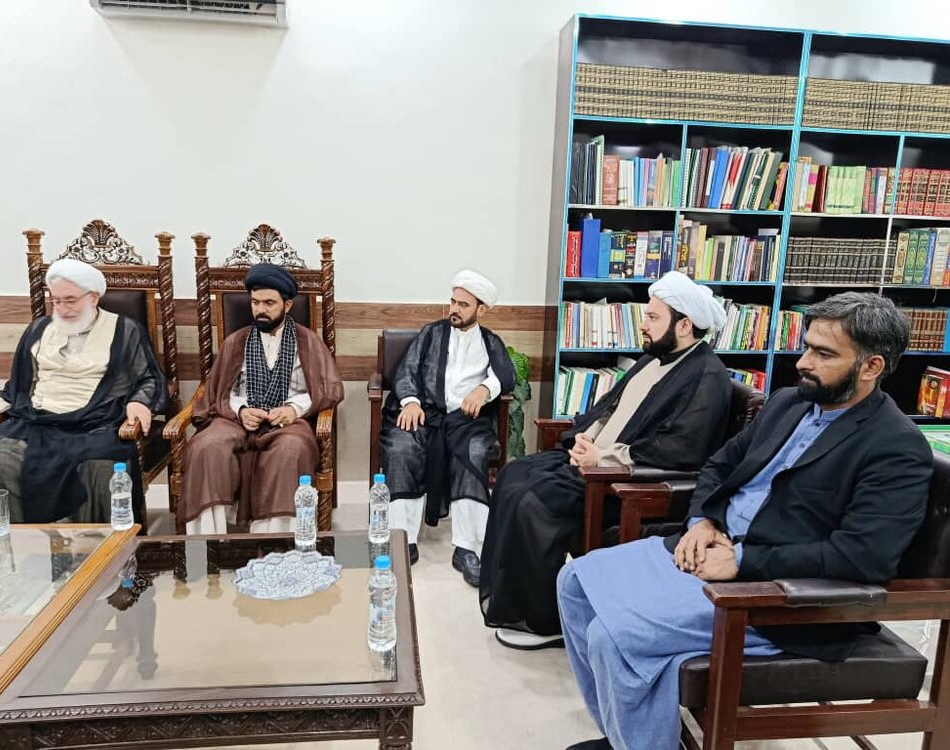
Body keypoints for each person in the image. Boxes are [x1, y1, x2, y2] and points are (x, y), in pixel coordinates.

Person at [558, 292, 933, 750]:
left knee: (613, 634)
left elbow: (862, 556)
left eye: (823, 354)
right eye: (807, 347)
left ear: (871, 366)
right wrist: (702, 520)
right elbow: (719, 464)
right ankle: (626, 738)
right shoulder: (788, 404)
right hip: (711, 550)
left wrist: (742, 561)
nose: (803, 362)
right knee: (573, 582)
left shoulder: (895, 447)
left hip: (776, 598)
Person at [481, 271, 733, 650]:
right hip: (594, 463)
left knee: (534, 502)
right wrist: (586, 438)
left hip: (620, 483)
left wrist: (603, 457)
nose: (643, 325)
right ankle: (515, 603)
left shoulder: (707, 377)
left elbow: (682, 449)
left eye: (653, 317)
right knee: (514, 474)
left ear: (684, 325)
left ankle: (545, 620)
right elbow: (609, 408)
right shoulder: (652, 359)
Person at [0, 259, 167, 524]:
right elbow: (18, 386)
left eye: (70, 300)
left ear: (93, 297)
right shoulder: (39, 330)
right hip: (36, 423)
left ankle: (99, 548)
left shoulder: (124, 330)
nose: (62, 308)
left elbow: (148, 377)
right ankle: (15, 544)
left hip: (95, 424)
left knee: (102, 464)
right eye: (56, 301)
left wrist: (139, 402)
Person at [179, 263, 343, 534]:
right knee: (206, 446)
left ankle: (275, 540)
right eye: (255, 302)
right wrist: (242, 410)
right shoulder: (236, 341)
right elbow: (219, 391)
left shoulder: (308, 342)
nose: (260, 309)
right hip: (235, 420)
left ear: (287, 305)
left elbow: (328, 389)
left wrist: (294, 409)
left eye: (269, 303)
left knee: (291, 450)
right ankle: (209, 541)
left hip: (287, 422)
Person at [380, 270, 516, 585]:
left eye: (463, 305)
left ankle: (467, 548)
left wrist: (484, 389)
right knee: (402, 447)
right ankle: (402, 539)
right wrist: (410, 402)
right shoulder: (431, 333)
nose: (454, 309)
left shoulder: (490, 342)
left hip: (464, 421)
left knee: (474, 451)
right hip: (424, 413)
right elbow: (407, 370)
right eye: (453, 301)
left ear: (482, 309)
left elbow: (506, 375)